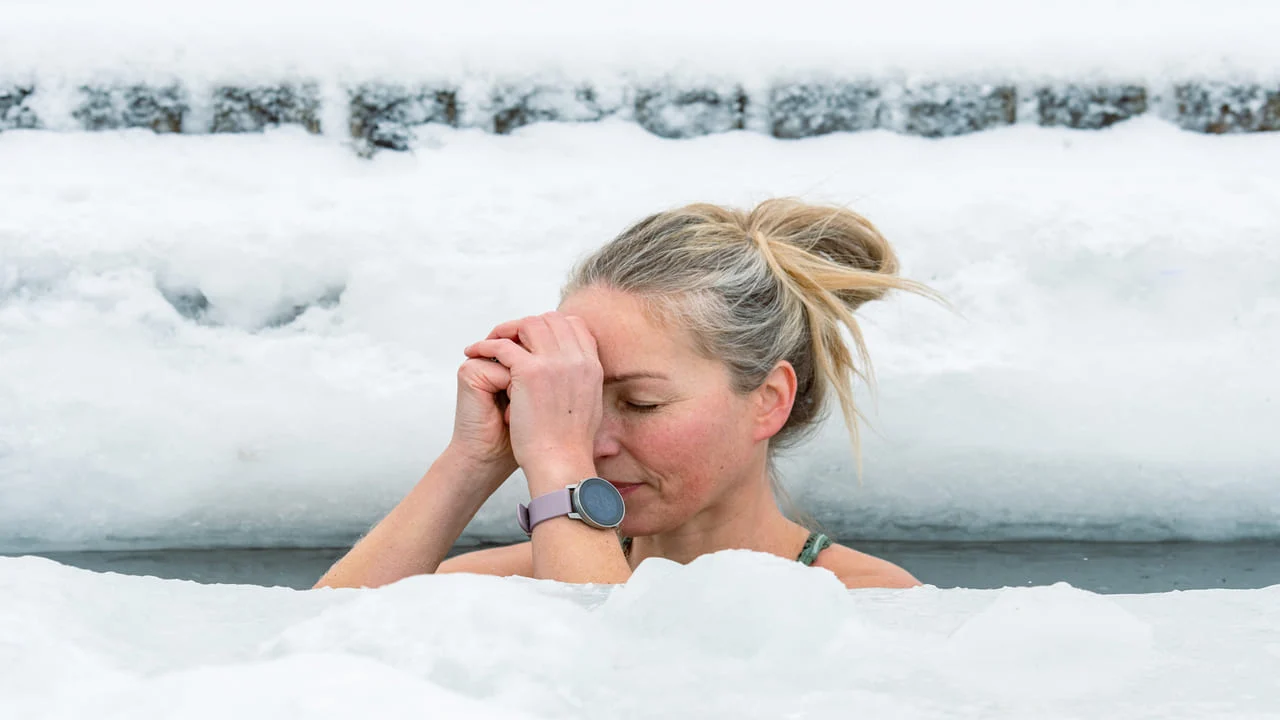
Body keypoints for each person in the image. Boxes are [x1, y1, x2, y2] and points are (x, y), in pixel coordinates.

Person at [315, 198, 937, 590]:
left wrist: (558, 465)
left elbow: (613, 683)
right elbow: (311, 667)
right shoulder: (497, 584)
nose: (592, 442)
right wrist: (471, 460)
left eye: (641, 403)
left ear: (769, 399)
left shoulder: (869, 603)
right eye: (575, 398)